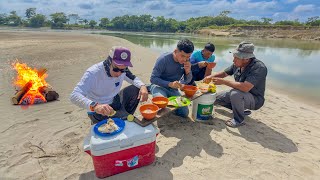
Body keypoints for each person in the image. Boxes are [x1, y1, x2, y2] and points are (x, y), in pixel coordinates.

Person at [70, 46, 148, 124]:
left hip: (115, 100)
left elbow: (133, 78)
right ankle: (122, 117)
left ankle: (125, 115)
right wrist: (95, 106)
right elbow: (74, 95)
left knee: (136, 88)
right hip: (100, 109)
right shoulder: (93, 73)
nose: (119, 73)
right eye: (116, 69)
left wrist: (143, 86)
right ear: (108, 62)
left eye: (123, 69)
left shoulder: (122, 71)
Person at [203, 41, 267, 127]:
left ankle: (238, 120)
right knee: (215, 99)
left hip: (254, 99)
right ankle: (241, 109)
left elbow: (245, 88)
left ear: (246, 59)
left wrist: (223, 82)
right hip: (240, 94)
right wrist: (210, 77)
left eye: (236, 58)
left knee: (235, 94)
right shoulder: (237, 64)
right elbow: (224, 73)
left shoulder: (259, 68)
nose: (233, 60)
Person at [149, 39, 194, 118]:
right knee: (161, 105)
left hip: (173, 89)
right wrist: (169, 84)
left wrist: (188, 72)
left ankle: (169, 101)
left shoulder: (186, 61)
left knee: (184, 113)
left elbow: (187, 81)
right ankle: (150, 89)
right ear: (176, 51)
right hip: (159, 86)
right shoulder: (163, 59)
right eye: (182, 56)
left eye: (188, 57)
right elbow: (153, 78)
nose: (185, 59)